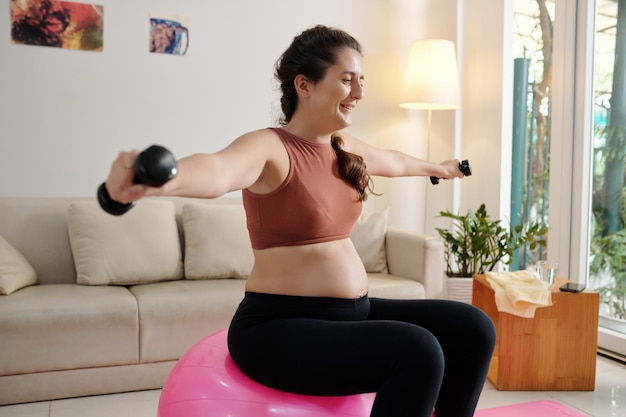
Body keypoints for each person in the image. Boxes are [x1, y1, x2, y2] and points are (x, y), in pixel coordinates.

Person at [104, 24, 496, 417]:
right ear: (304, 85)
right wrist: (153, 182)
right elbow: (218, 171)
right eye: (347, 81)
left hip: (350, 315)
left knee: (472, 328)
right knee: (419, 350)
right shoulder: (271, 147)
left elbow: (393, 160)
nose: (359, 93)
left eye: (361, 81)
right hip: (278, 328)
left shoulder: (342, 147)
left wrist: (439, 168)